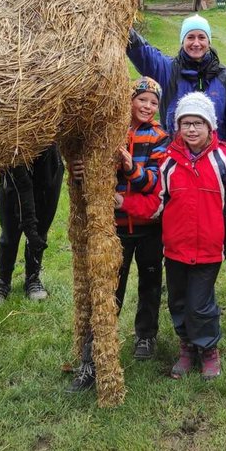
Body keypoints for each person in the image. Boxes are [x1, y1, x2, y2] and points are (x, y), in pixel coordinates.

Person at [122, 92, 226, 380]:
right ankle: (186, 347)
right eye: (186, 124)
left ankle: (208, 349)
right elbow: (155, 202)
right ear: (178, 127)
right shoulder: (169, 161)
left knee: (201, 304)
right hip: (175, 250)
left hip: (207, 249)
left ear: (210, 127)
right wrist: (125, 203)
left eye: (198, 123)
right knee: (178, 302)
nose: (192, 130)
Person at [66, 76, 170, 393]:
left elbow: (154, 183)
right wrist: (79, 169)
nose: (147, 106)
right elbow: (92, 169)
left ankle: (146, 335)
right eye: (142, 100)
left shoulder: (160, 138)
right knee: (110, 288)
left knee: (151, 282)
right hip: (114, 228)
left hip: (150, 228)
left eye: (153, 103)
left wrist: (130, 168)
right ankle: (95, 354)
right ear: (129, 100)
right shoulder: (111, 133)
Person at [127, 13, 226, 145]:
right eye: (190, 37)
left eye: (201, 37)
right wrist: (124, 24)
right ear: (182, 40)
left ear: (209, 41)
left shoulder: (224, 76)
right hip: (175, 155)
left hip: (213, 156)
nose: (196, 43)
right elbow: (142, 52)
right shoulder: (168, 69)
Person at [0, 146, 64, 304]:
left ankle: (33, 278)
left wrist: (76, 160)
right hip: (13, 165)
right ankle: (3, 280)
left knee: (40, 228)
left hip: (48, 167)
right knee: (10, 229)